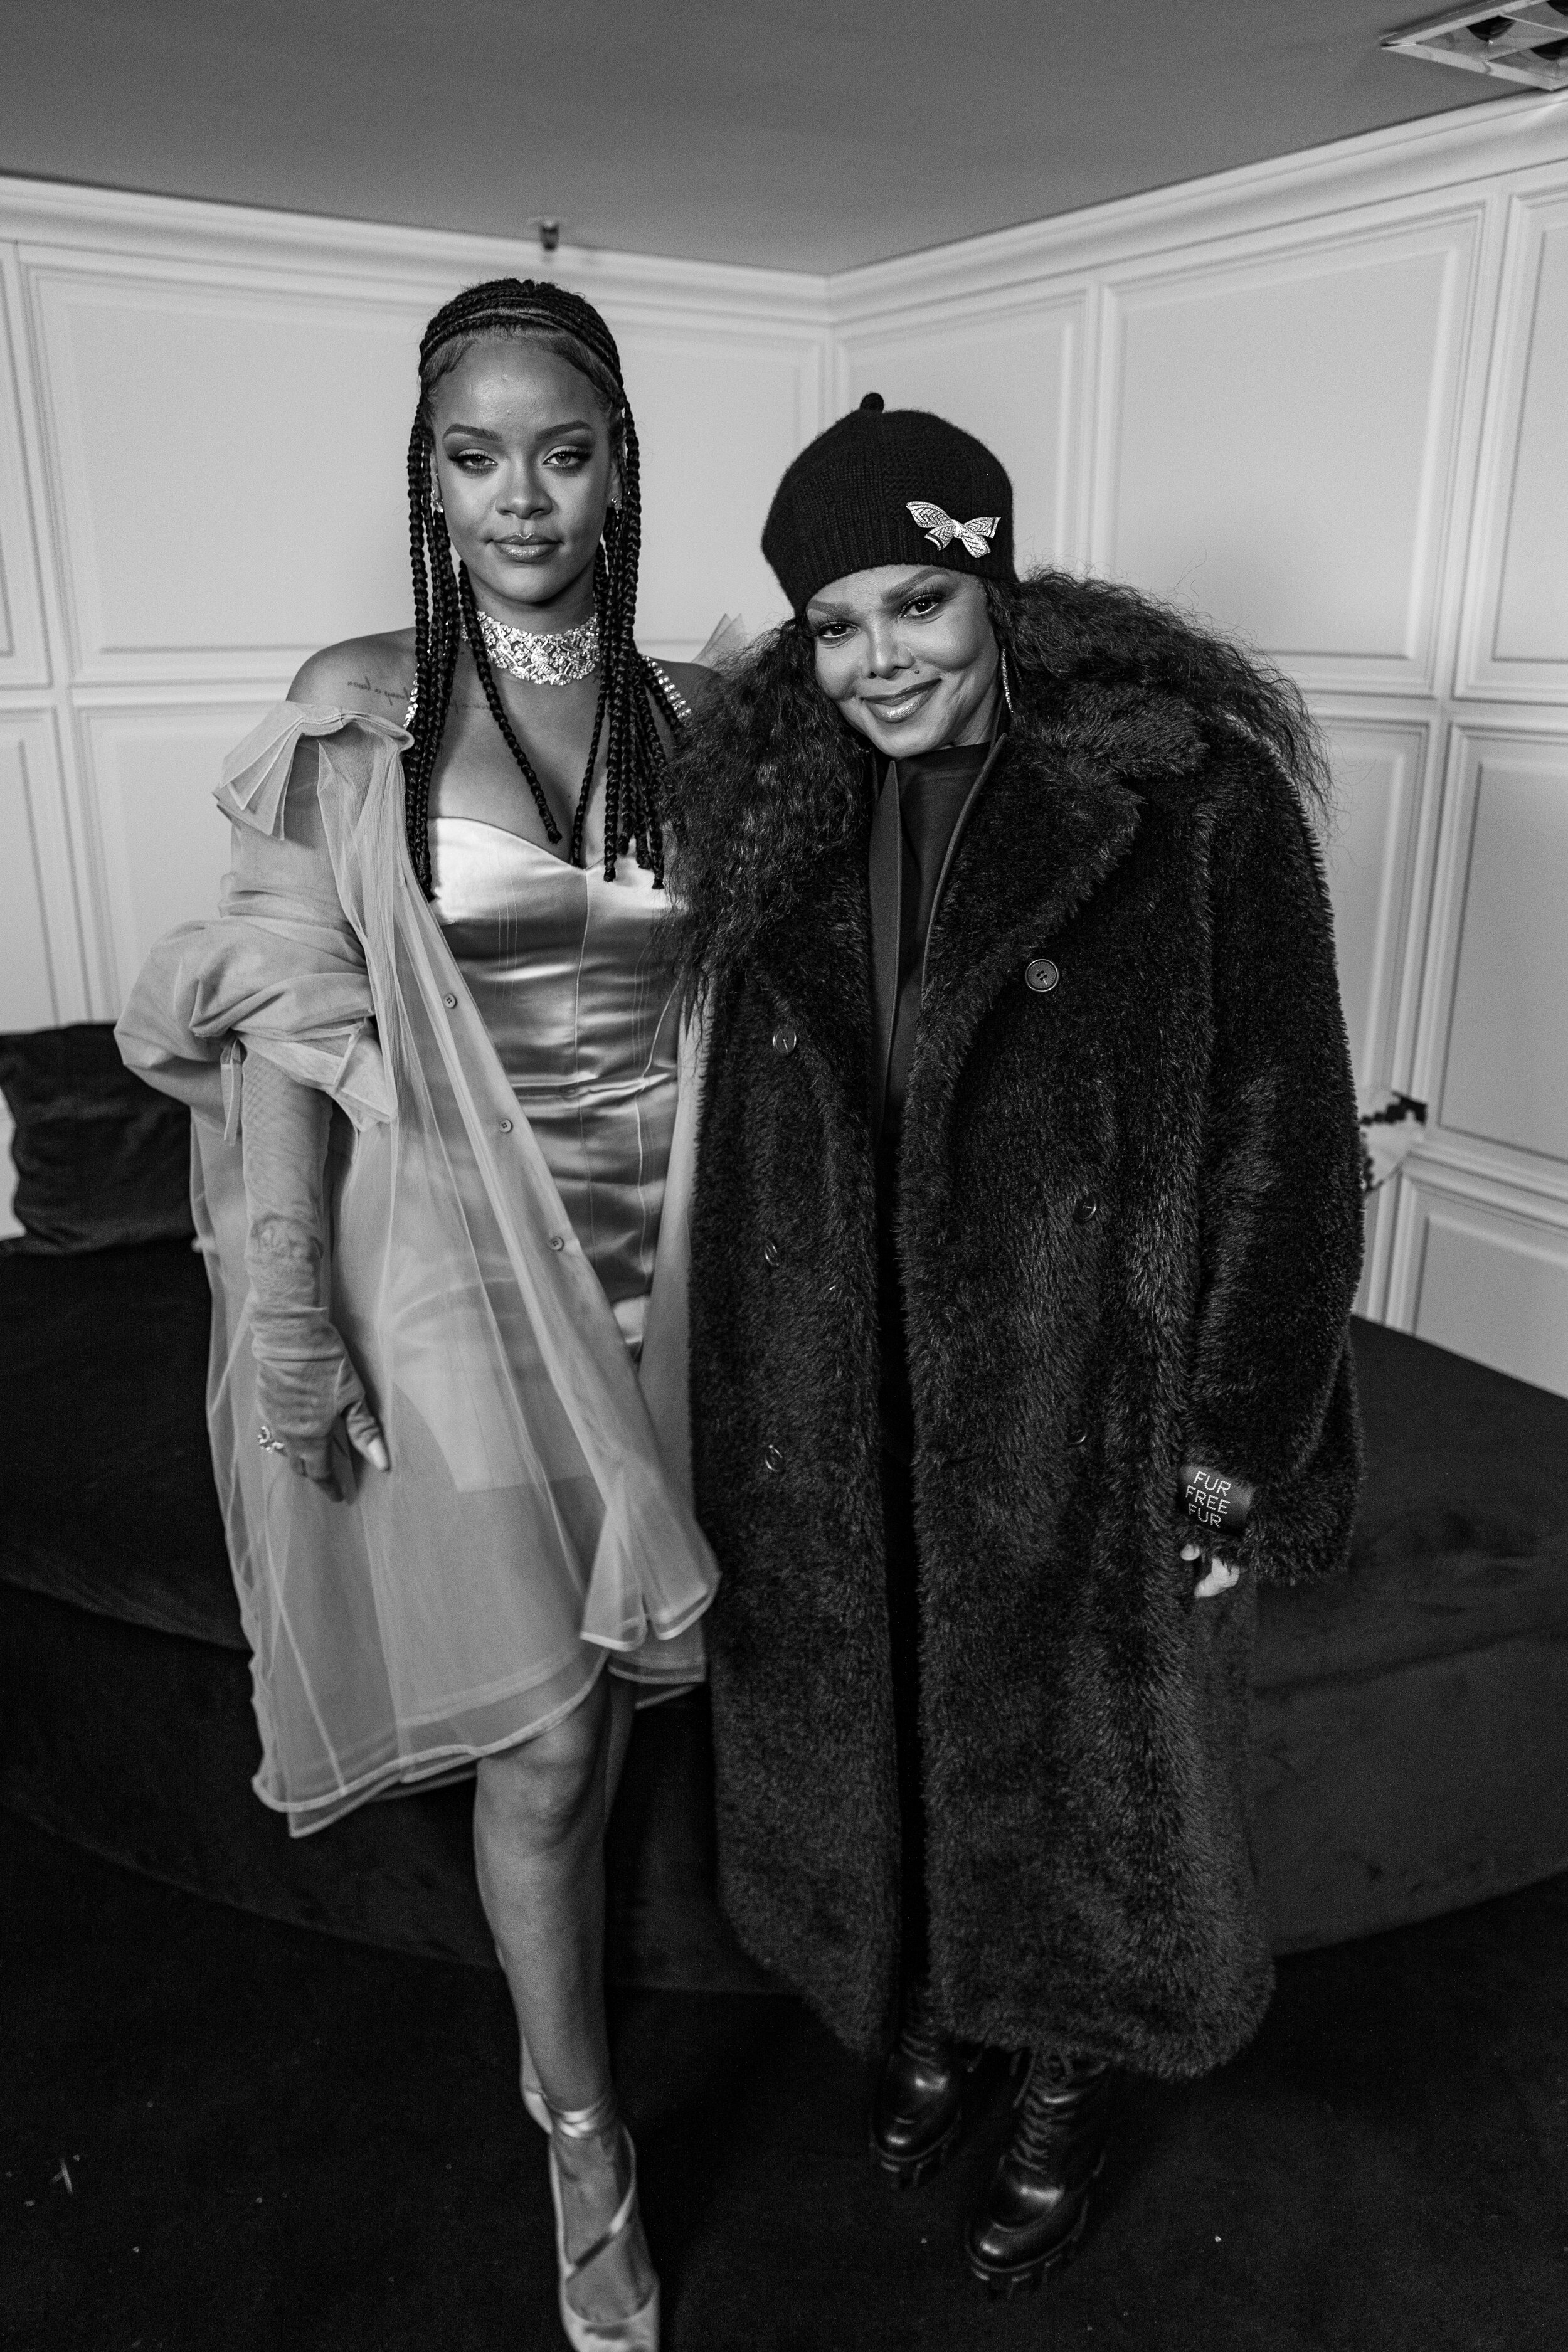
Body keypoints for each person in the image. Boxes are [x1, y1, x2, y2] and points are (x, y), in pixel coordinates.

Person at [665, 396, 1365, 2296]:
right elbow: (750, 1148)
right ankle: (936, 2008)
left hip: (1086, 1394)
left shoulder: (1186, 801)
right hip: (847, 1379)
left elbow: (1286, 1136)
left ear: (994, 585)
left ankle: (1062, 2066)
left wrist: (1230, 1439)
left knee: (1081, 1758)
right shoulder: (784, 819)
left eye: (917, 603)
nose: (878, 661)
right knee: (895, 1710)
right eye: (834, 626)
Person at [116, 278, 718, 2352]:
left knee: (623, 1690)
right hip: (446, 1269)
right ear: (428, 476)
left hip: (655, 1267)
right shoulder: (355, 703)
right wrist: (293, 1316)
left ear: (618, 463)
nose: (518, 497)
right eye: (474, 456)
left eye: (561, 450)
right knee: (544, 1743)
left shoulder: (699, 719)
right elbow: (284, 1024)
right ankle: (583, 2137)